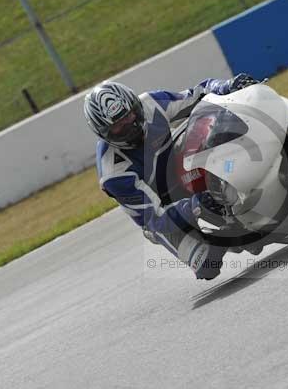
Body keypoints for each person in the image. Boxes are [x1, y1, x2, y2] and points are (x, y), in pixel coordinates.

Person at [83, 74, 259, 280]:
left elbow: (198, 94)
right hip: (162, 212)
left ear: (135, 106)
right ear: (105, 134)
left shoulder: (151, 103)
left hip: (180, 167)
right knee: (207, 265)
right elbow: (154, 219)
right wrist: (196, 205)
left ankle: (248, 177)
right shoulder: (112, 173)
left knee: (207, 125)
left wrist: (228, 85)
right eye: (118, 127)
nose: (129, 126)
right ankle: (225, 234)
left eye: (128, 116)